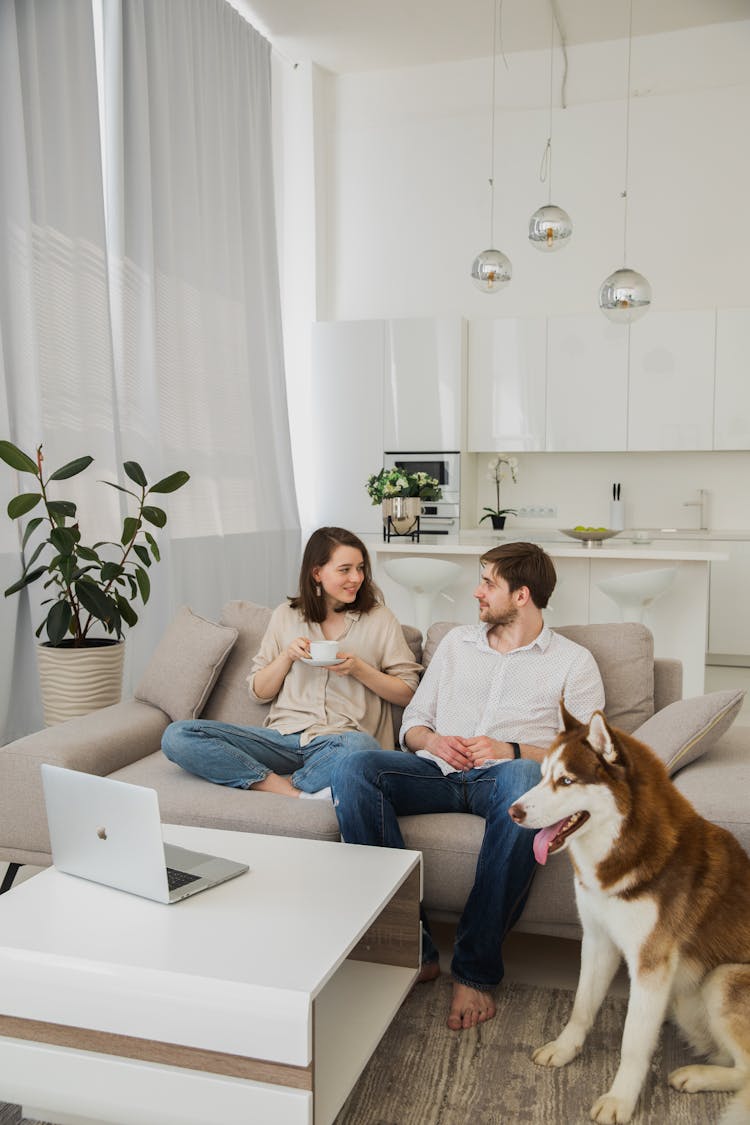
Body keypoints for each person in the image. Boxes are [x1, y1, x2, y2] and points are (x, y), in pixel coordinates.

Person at [331, 542, 605, 1030]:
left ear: (521, 595)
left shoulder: (573, 661)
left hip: (504, 780)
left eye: (488, 583)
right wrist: (432, 739)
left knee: (523, 781)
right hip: (437, 772)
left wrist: (512, 751)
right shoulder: (458, 643)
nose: (476, 592)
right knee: (355, 770)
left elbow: (591, 756)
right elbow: (412, 720)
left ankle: (475, 971)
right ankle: (410, 947)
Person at [162, 527, 421, 797]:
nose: (356, 578)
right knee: (178, 735)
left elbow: (408, 693)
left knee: (359, 749)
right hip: (282, 738)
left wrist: (358, 668)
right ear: (317, 573)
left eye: (360, 568)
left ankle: (288, 788)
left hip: (342, 738)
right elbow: (258, 691)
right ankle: (289, 791)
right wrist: (287, 656)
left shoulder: (380, 619)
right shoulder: (285, 616)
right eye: (345, 570)